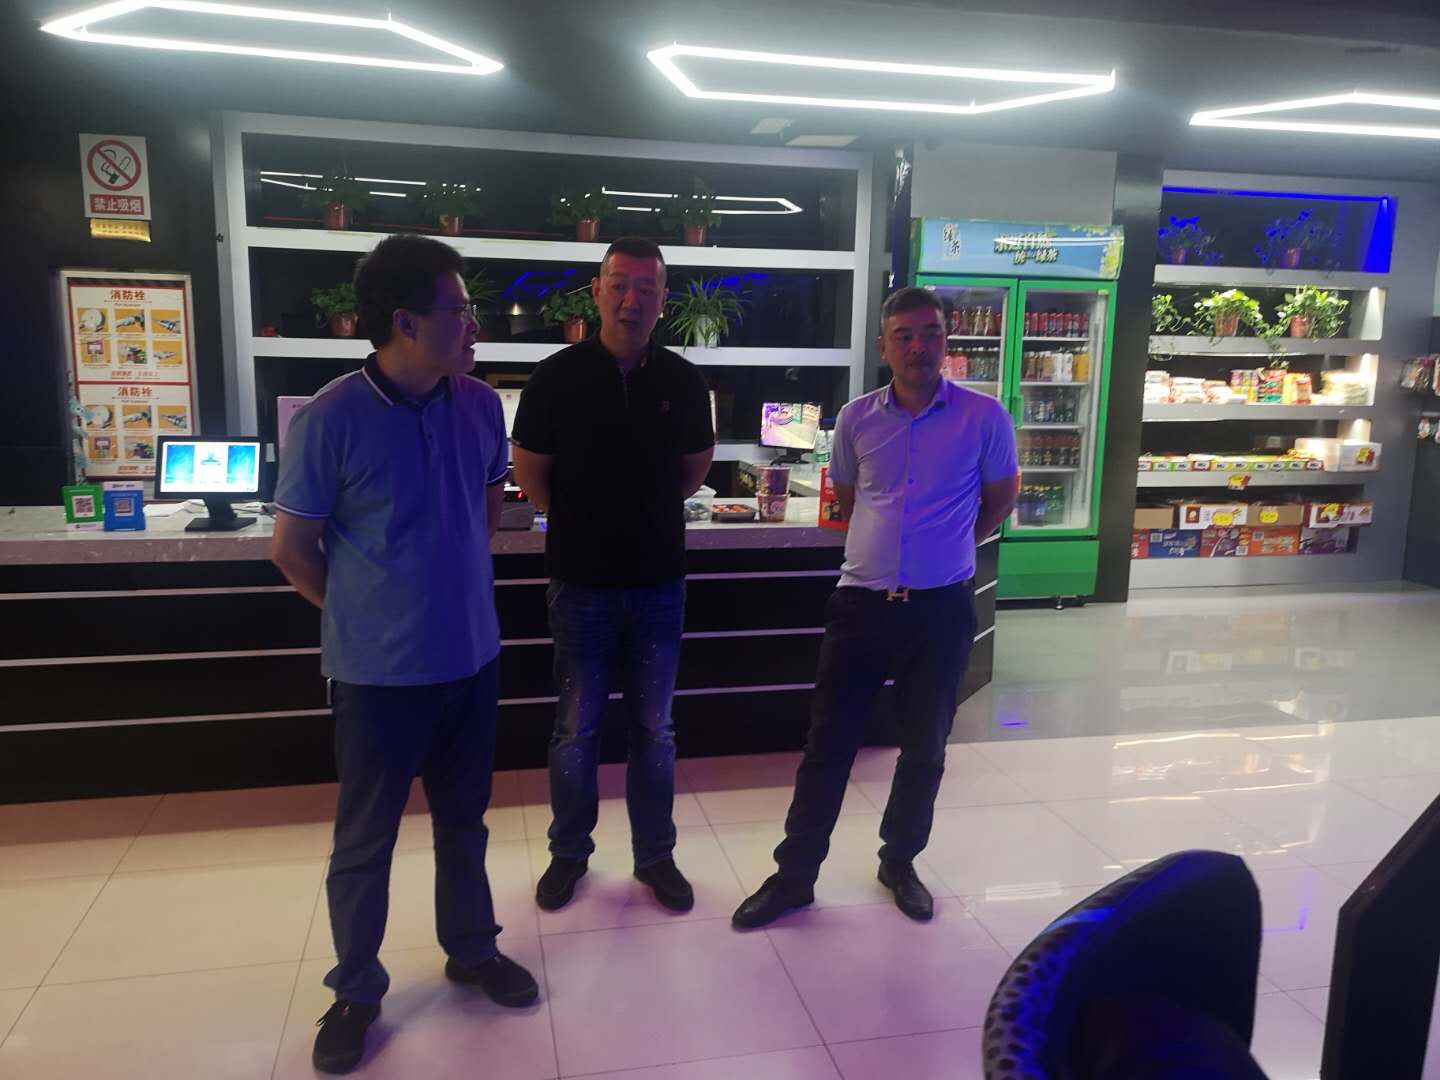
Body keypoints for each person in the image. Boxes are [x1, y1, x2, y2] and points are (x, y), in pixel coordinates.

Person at [271, 234, 537, 1075]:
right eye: (460, 310)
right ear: (405, 322)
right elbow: (291, 550)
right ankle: (356, 990)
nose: (474, 326)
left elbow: (483, 513)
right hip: (378, 676)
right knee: (366, 840)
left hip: (472, 660)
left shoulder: (480, 406)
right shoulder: (330, 419)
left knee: (465, 824)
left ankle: (472, 948)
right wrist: (364, 612)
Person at [732, 286, 1019, 929]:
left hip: (941, 609)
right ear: (884, 345)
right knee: (828, 746)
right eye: (905, 336)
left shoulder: (985, 417)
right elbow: (850, 494)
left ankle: (900, 861)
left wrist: (952, 543)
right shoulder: (857, 418)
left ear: (946, 340)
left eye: (931, 333)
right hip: (861, 604)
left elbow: (1001, 497)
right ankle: (795, 875)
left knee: (925, 746)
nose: (919, 347)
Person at [510, 237, 715, 914]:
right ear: (597, 292)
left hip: (659, 583)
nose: (632, 299)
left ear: (663, 299)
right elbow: (531, 475)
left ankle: (655, 856)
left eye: (646, 288)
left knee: (656, 730)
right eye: (620, 285)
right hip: (581, 583)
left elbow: (692, 471)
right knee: (577, 729)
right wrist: (586, 522)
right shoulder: (555, 377)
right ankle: (569, 853)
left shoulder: (683, 381)